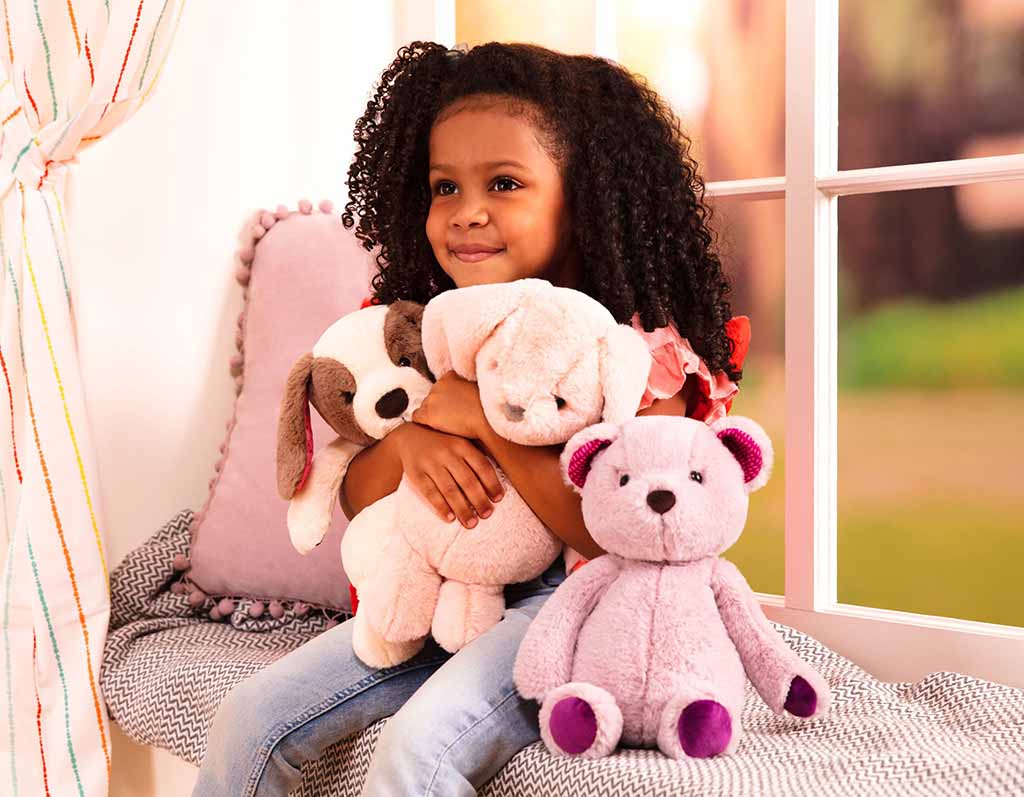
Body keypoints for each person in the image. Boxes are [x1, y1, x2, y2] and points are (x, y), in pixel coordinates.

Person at [193, 40, 749, 797]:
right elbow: (357, 494)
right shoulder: (433, 339)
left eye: (505, 183)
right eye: (444, 186)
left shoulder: (644, 359)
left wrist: (487, 424)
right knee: (248, 718)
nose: (467, 212)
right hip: (437, 592)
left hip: (578, 617)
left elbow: (622, 539)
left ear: (582, 198)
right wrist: (420, 434)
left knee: (417, 753)